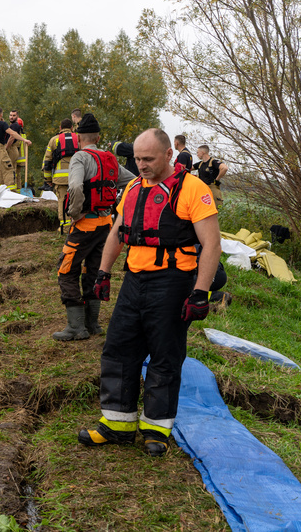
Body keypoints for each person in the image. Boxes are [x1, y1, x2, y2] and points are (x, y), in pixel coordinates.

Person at [80, 128, 221, 457]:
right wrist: (103, 272)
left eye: (148, 159)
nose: (141, 165)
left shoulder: (193, 190)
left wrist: (200, 293)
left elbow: (212, 244)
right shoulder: (132, 188)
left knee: (165, 356)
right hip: (134, 281)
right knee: (118, 349)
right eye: (138, 159)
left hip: (173, 284)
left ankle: (156, 429)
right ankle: (117, 423)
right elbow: (117, 232)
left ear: (169, 155)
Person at [52, 113, 135, 341]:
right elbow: (132, 181)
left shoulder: (79, 157)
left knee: (67, 270)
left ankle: (76, 328)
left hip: (85, 223)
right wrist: (117, 205)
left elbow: (76, 188)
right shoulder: (109, 159)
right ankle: (93, 324)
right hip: (106, 225)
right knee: (93, 270)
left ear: (79, 138)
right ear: (97, 137)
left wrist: (74, 213)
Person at [42, 118, 79, 230]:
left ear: (60, 128)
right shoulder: (78, 138)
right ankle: (77, 225)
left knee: (62, 200)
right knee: (77, 199)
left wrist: (48, 179)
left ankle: (65, 227)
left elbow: (47, 161)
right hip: (77, 177)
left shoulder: (53, 140)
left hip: (60, 179)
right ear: (72, 128)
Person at [0, 107, 31, 190]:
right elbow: (12, 134)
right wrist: (24, 140)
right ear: (1, 114)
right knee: (8, 169)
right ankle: (11, 193)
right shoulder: (3, 124)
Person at [6, 111, 26, 189]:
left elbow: (12, 139)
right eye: (10, 115)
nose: (11, 117)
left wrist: (6, 148)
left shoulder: (16, 130)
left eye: (13, 115)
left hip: (15, 154)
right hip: (20, 157)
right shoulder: (22, 134)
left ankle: (14, 190)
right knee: (17, 174)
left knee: (13, 172)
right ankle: (18, 189)